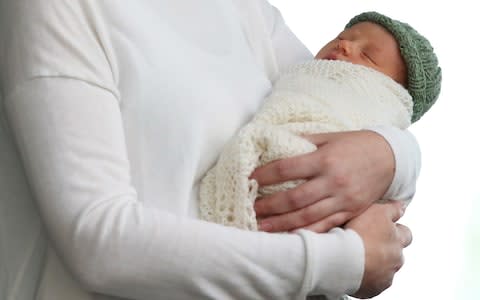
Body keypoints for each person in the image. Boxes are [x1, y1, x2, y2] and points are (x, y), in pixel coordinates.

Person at [0, 1, 416, 299]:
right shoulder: (58, 9)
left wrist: (395, 155)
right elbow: (99, 242)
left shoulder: (249, 14)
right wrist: (341, 262)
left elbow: (349, 104)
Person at [199, 11, 442, 232]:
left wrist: (395, 153)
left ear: (390, 90)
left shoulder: (375, 106)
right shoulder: (301, 74)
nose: (345, 45)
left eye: (367, 54)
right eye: (342, 37)